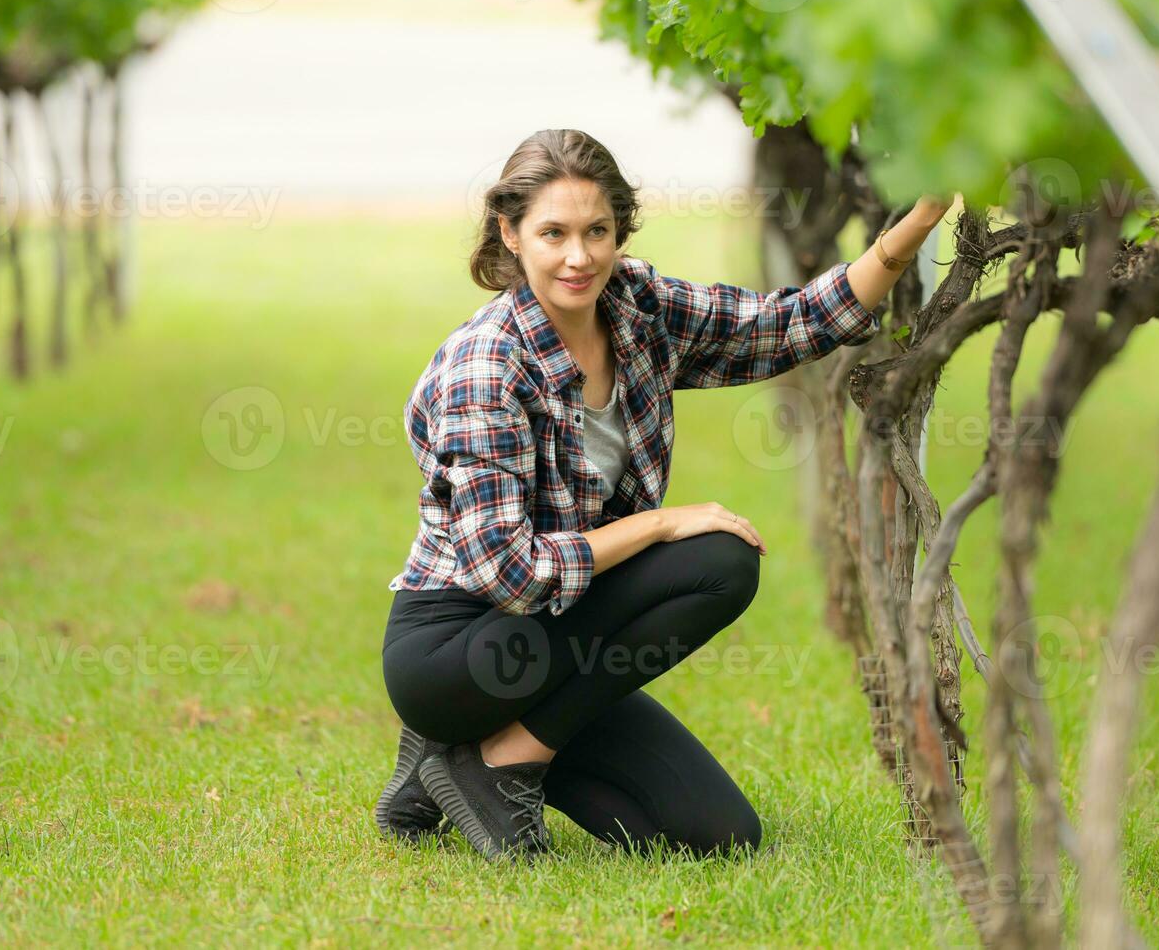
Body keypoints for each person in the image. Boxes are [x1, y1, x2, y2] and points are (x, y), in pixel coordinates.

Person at [377, 128, 950, 862]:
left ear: (620, 232)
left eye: (597, 232)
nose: (579, 257)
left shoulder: (638, 308)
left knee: (718, 837)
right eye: (553, 233)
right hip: (461, 647)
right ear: (510, 234)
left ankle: (472, 764)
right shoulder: (487, 365)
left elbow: (795, 323)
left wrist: (923, 219)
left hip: (563, 633)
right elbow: (508, 576)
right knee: (715, 558)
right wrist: (658, 525)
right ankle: (472, 745)